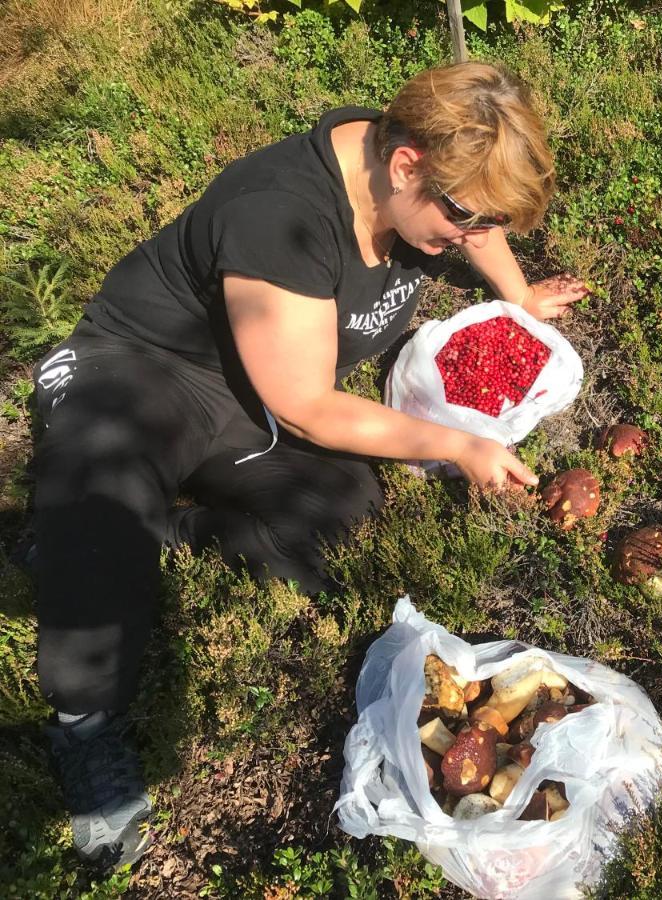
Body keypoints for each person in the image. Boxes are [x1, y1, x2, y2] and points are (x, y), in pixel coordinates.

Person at [30, 61, 587, 868]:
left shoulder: (424, 166)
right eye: (462, 220)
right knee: (99, 511)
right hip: (138, 372)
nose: (468, 240)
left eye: (481, 224)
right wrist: (460, 444)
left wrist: (520, 296)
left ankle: (178, 529)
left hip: (246, 393)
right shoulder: (280, 215)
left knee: (347, 511)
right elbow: (307, 404)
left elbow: (478, 210)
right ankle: (84, 722)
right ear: (407, 167)